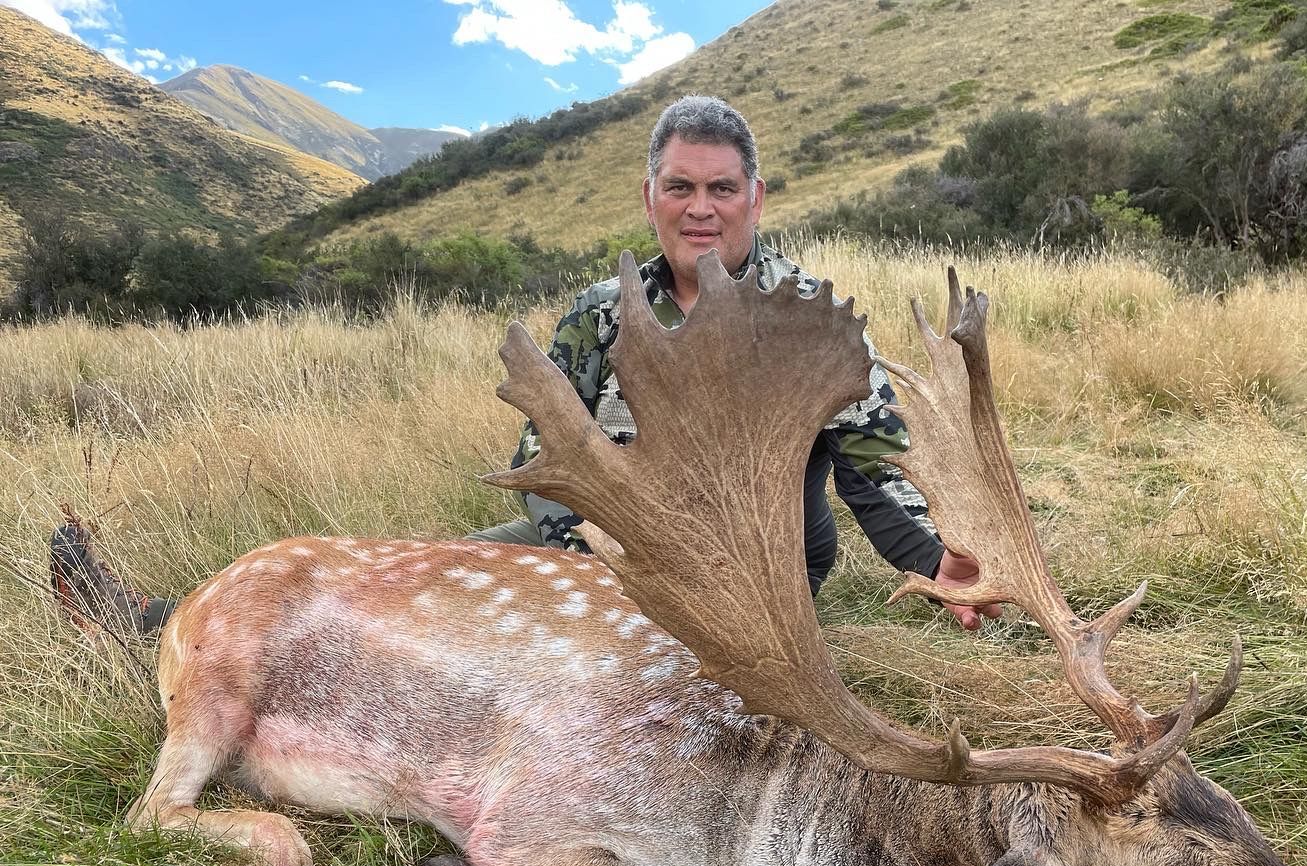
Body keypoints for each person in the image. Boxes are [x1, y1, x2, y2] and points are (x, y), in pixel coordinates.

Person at [50, 96, 998, 635]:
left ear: (756, 195)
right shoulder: (597, 315)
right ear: (650, 197)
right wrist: (582, 539)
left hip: (754, 573)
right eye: (680, 188)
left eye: (720, 189)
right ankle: (160, 622)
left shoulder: (811, 325)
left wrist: (941, 565)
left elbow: (880, 476)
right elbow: (545, 456)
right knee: (414, 576)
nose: (700, 208)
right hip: (594, 553)